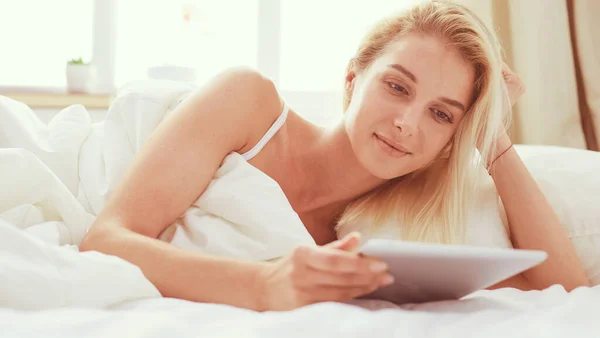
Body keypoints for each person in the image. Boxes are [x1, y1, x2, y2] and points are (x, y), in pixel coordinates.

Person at [79, 0, 590, 311]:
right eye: (396, 86)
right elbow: (105, 239)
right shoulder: (249, 103)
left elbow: (563, 287)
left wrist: (493, 137)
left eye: (441, 115)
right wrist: (263, 285)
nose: (407, 123)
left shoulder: (397, 231)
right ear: (352, 80)